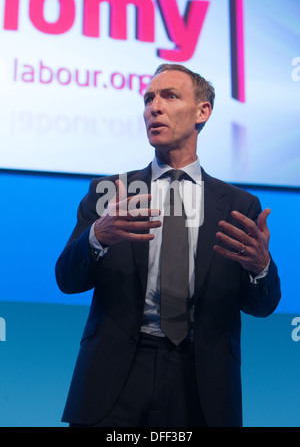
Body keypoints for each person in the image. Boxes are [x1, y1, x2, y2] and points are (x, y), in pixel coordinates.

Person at [55, 63, 281, 427]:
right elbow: (67, 279)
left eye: (169, 96)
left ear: (202, 112)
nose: (153, 108)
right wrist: (97, 236)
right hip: (115, 379)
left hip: (202, 383)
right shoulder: (110, 192)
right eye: (148, 99)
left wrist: (261, 269)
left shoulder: (240, 205)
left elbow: (263, 306)